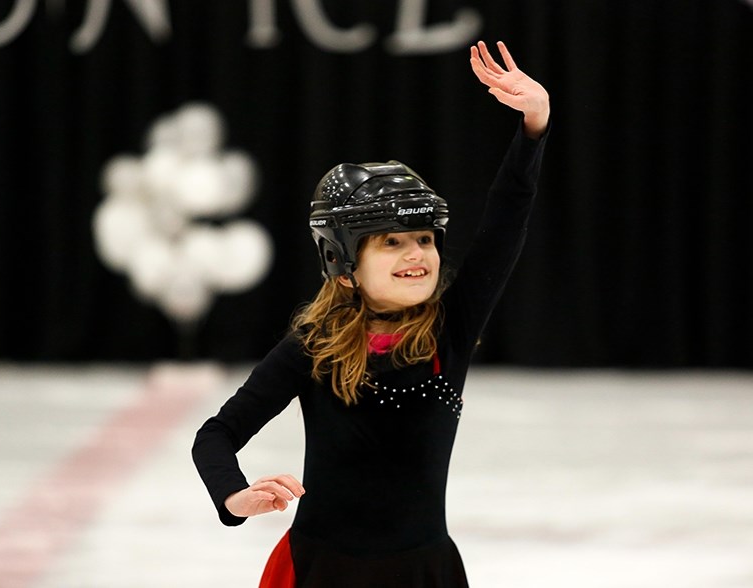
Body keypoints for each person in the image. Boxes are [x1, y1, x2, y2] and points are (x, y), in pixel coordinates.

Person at [192, 40, 550, 587]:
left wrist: (533, 125)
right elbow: (217, 434)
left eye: (425, 240)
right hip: (319, 571)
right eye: (391, 242)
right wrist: (232, 496)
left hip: (422, 571)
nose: (417, 255)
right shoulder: (314, 346)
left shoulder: (448, 332)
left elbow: (506, 221)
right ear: (341, 260)